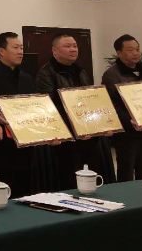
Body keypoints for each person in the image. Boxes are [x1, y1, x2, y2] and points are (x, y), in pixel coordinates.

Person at [36, 33, 112, 189]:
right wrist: (77, 128)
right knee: (70, 182)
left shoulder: (81, 71)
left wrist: (102, 123)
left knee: (91, 179)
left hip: (89, 137)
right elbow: (49, 107)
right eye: (67, 46)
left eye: (75, 46)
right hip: (67, 141)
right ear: (54, 51)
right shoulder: (46, 73)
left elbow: (90, 102)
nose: (73, 49)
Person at [0, 32, 42, 198]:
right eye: (16, 48)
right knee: (3, 197)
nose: (20, 52)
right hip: (2, 150)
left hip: (28, 149)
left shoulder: (27, 78)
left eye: (21, 48)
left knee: (28, 196)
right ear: (1, 51)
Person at [101, 35, 142, 181]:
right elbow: (112, 105)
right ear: (119, 53)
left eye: (137, 49)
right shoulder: (111, 75)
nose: (135, 53)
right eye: (130, 50)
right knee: (126, 175)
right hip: (127, 135)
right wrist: (130, 121)